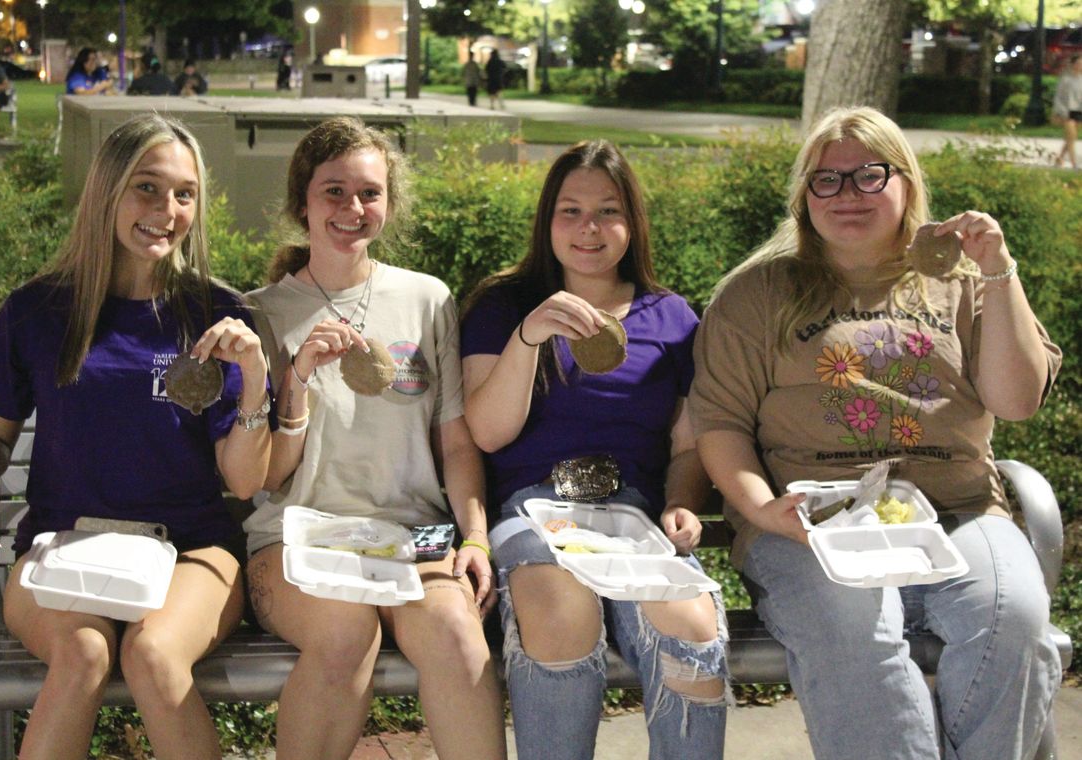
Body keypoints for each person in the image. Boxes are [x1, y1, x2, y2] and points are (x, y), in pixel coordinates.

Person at [690, 106, 1062, 760]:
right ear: (804, 197)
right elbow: (720, 425)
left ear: (907, 184)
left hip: (959, 513)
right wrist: (761, 512)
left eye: (868, 175)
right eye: (826, 181)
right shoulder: (756, 293)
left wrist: (999, 270)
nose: (848, 195)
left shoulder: (967, 280)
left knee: (1017, 624)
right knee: (852, 633)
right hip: (814, 523)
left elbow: (1017, 399)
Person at [0, 113, 272, 760]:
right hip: (65, 543)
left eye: (184, 193)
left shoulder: (215, 314)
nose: (167, 210)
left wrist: (255, 381)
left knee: (152, 655)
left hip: (191, 551)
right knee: (84, 653)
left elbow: (242, 481)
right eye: (146, 187)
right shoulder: (38, 311)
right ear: (107, 191)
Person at [243, 116, 506, 760]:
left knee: (458, 637)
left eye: (369, 193)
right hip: (294, 538)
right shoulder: (259, 313)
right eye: (333, 191)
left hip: (411, 536)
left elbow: (457, 445)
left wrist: (473, 536)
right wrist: (298, 377)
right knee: (344, 633)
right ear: (301, 201)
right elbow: (263, 477)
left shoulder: (425, 299)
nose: (352, 208)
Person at [460, 140, 730, 760]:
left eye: (608, 211)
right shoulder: (503, 307)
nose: (590, 228)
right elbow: (488, 433)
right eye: (570, 210)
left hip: (632, 517)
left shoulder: (672, 318)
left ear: (631, 223)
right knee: (559, 613)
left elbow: (687, 447)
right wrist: (531, 336)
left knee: (691, 627)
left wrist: (683, 503)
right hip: (532, 513)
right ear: (547, 221)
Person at [1051, 54, 1082, 169]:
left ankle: (1059, 158)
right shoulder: (1065, 79)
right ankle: (1074, 163)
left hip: (1078, 112)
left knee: (1071, 137)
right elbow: (1058, 97)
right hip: (1066, 112)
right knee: (1072, 136)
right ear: (1073, 64)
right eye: (1078, 63)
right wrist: (1062, 111)